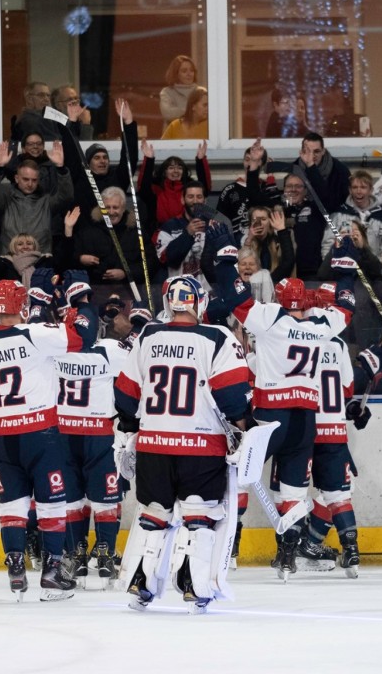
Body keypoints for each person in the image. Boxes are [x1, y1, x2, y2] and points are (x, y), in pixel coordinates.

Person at [216, 234, 355, 580]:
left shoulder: (272, 317)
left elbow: (235, 299)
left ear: (279, 297)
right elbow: (347, 307)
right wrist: (345, 268)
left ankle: (230, 550)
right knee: (293, 492)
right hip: (305, 422)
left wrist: (223, 261)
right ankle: (287, 558)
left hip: (270, 417)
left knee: (236, 479)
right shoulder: (321, 326)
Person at [114, 276, 252, 613]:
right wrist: (242, 427)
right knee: (199, 513)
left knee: (154, 513)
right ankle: (195, 584)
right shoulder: (216, 337)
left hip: (154, 444)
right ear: (199, 302)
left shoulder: (148, 335)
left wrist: (131, 431)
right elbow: (234, 394)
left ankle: (141, 583)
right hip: (201, 444)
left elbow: (125, 392)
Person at [0, 270, 96, 601]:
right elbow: (83, 339)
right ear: (23, 307)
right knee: (51, 502)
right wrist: (76, 304)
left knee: (13, 502)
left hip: (2, 437)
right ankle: (51, 570)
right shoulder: (35, 333)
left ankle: (16, 565)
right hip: (39, 432)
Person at [54, 302, 149, 588]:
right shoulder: (109, 350)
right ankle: (105, 553)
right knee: (106, 500)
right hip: (99, 434)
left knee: (73, 500)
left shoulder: (53, 351)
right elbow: (138, 373)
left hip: (63, 434)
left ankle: (78, 553)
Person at [303, 330, 363, 577]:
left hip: (302, 428)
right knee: (339, 494)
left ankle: (297, 548)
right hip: (333, 431)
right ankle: (350, 550)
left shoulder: (295, 337)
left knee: (290, 494)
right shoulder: (337, 344)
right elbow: (347, 389)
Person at [322, 170, 382, 261]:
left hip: (372, 271)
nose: (358, 191)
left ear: (371, 190)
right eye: (355, 187)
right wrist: (331, 267)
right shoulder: (339, 214)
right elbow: (328, 244)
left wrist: (378, 270)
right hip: (344, 270)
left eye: (363, 187)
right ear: (350, 190)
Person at [138, 138, 212, 224]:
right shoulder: (156, 190)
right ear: (164, 172)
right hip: (161, 233)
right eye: (171, 168)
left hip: (189, 231)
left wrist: (201, 160)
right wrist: (149, 160)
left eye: (179, 168)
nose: (176, 171)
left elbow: (205, 189)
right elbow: (143, 188)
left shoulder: (190, 190)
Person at [294, 132, 350, 212]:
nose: (312, 155)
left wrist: (311, 166)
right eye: (308, 151)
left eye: (316, 151)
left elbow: (344, 201)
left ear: (323, 151)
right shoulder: (294, 169)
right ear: (302, 152)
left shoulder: (340, 170)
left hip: (332, 214)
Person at [159, 54, 199, 125]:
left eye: (191, 70)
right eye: (184, 71)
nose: (189, 74)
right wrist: (192, 110)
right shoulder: (167, 92)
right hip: (175, 134)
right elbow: (167, 113)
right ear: (176, 74)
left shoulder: (200, 92)